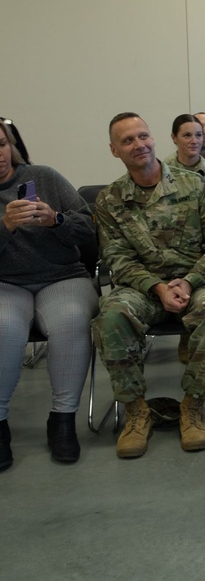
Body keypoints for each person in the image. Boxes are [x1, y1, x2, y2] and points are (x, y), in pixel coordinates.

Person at [92, 113, 205, 459]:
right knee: (111, 315)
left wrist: (188, 282)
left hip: (199, 280)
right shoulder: (110, 200)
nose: (139, 144)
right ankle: (136, 411)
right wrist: (157, 287)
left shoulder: (195, 185)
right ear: (114, 150)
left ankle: (193, 406)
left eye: (143, 136)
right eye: (127, 141)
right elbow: (118, 260)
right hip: (145, 288)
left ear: (154, 139)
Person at [0, 123, 97, 470]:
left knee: (72, 320)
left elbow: (89, 229)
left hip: (61, 276)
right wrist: (6, 226)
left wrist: (56, 220)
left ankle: (62, 419)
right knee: (4, 328)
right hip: (5, 283)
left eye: (1, 145)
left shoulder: (44, 176)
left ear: (11, 145)